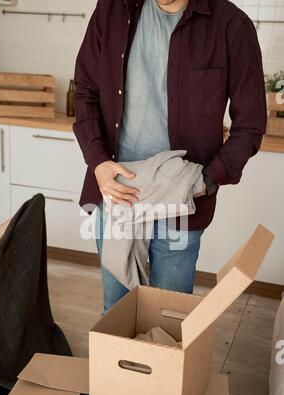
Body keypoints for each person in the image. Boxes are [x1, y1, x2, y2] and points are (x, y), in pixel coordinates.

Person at [73, 0, 267, 312]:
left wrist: (206, 181)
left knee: (168, 317)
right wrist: (97, 161)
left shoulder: (231, 24)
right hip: (118, 192)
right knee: (116, 312)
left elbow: (250, 124)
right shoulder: (113, 9)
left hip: (181, 199)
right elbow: (85, 90)